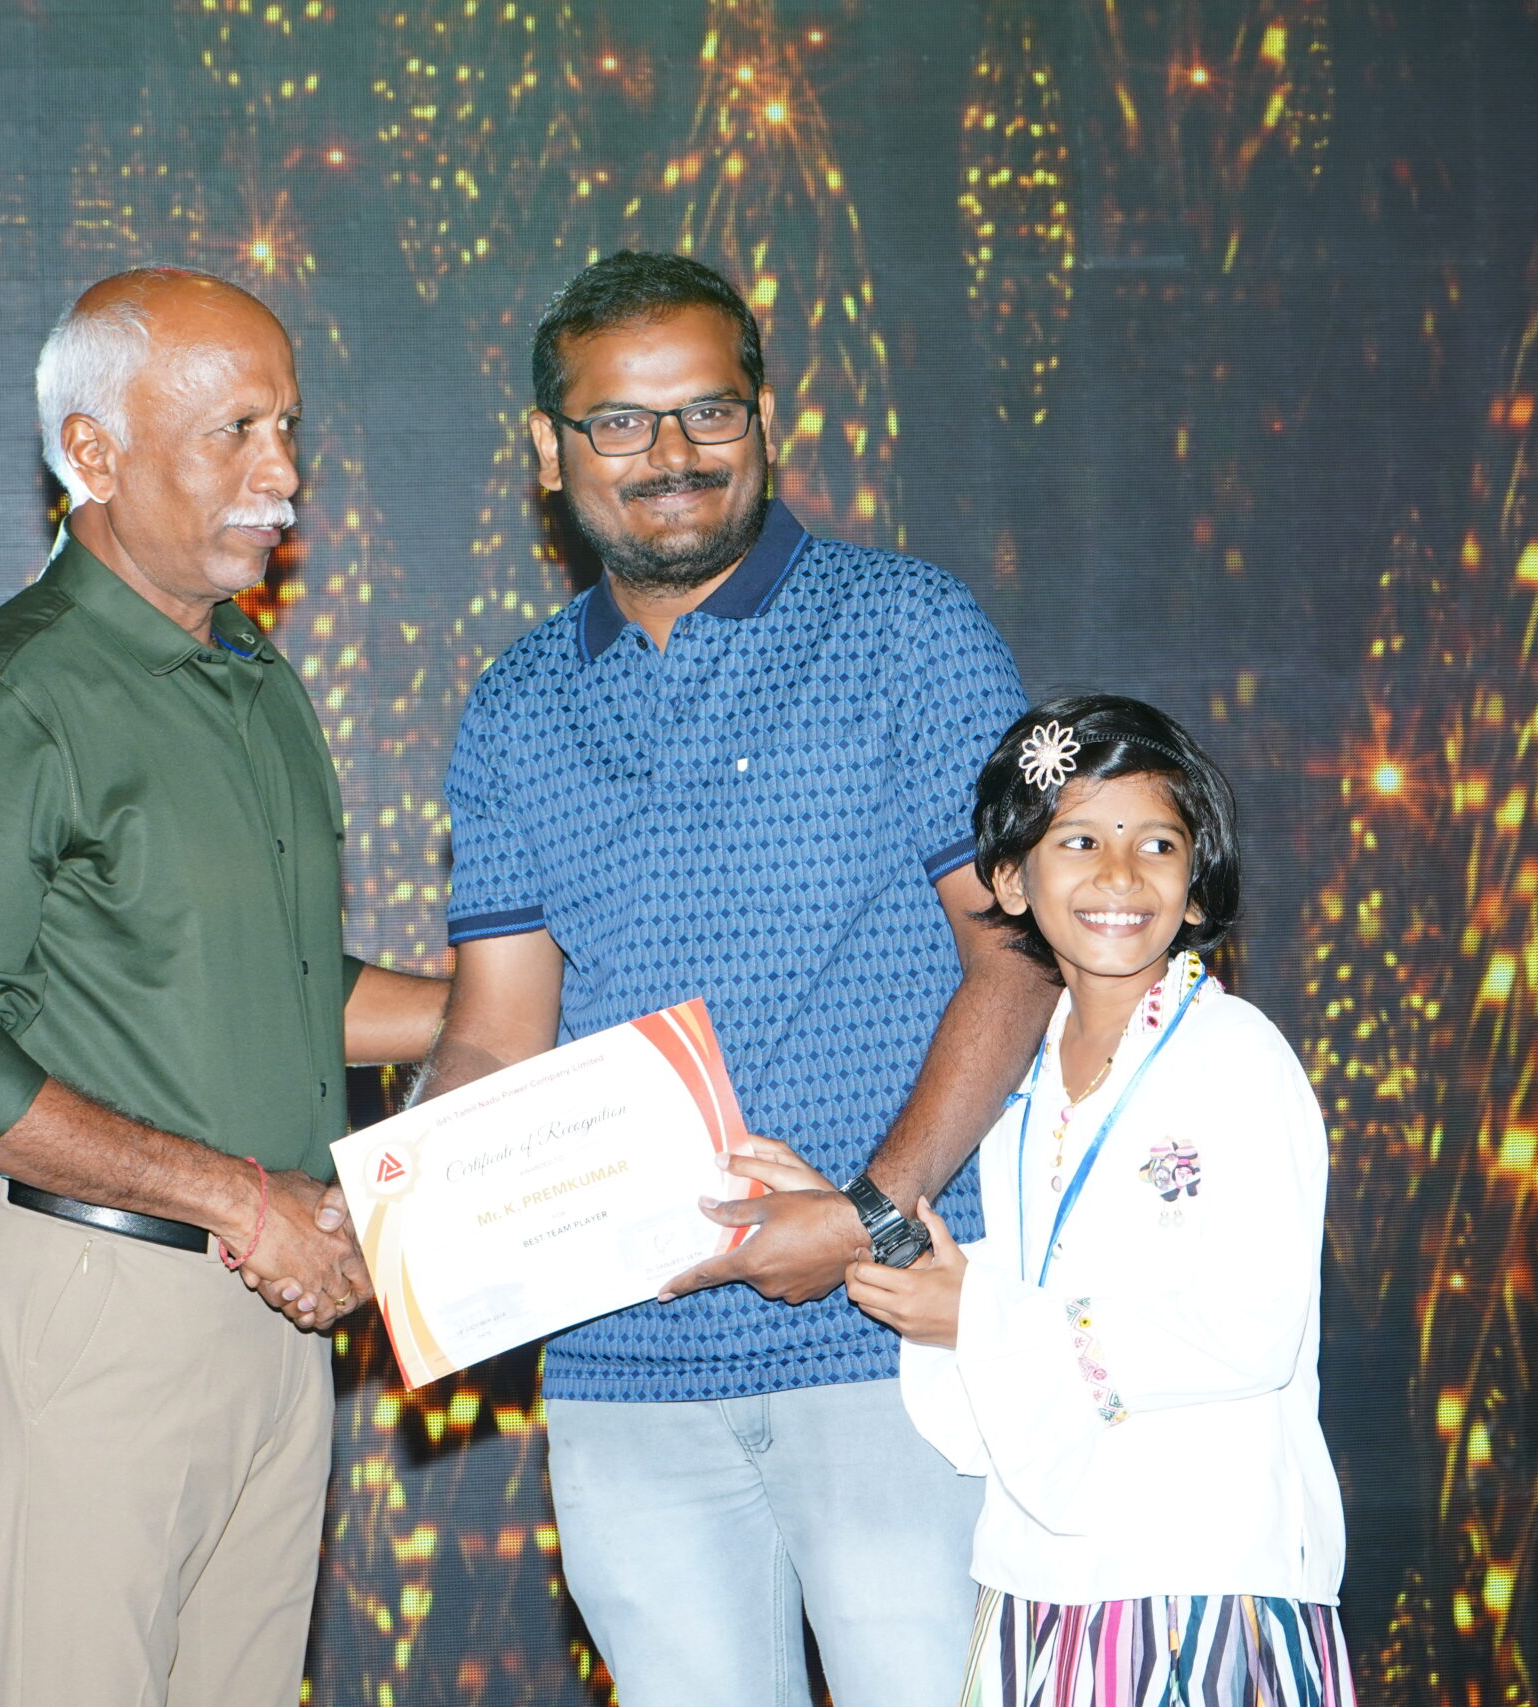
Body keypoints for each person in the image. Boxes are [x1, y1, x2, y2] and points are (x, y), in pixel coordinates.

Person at [419, 250, 1054, 1707]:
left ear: (764, 419)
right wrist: (405, 1219)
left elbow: (1016, 953)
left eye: (708, 411)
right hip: (623, 1362)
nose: (672, 454)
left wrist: (867, 1214)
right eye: (620, 422)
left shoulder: (907, 627)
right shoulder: (514, 705)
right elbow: (495, 1037)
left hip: (892, 1330)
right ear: (549, 451)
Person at [0, 267, 446, 1707]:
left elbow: (272, 989)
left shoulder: (253, 677)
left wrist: (483, 1015)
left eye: (288, 427)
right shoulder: (13, 697)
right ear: (95, 453)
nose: (284, 474)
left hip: (277, 1305)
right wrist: (242, 1202)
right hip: (100, 1304)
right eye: (234, 431)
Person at [780, 692, 1354, 1704]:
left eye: (1157, 844)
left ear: (1197, 883)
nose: (1120, 875)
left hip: (1201, 1571)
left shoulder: (1235, 1057)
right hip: (1043, 1576)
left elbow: (1252, 1325)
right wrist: (881, 1246)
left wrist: (983, 1316)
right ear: (1010, 878)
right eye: (1080, 840)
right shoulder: (1023, 1089)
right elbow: (1014, 1289)